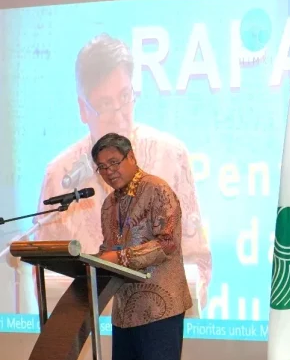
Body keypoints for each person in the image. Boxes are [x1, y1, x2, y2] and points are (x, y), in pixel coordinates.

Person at [34, 33, 211, 309]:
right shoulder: (60, 177)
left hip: (158, 321)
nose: (118, 115)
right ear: (83, 109)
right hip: (88, 328)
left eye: (125, 97)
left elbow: (197, 260)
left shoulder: (171, 158)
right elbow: (45, 279)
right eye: (105, 104)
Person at [94, 132, 191, 360]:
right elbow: (108, 248)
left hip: (160, 304)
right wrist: (94, 259)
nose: (109, 171)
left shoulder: (157, 190)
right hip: (125, 307)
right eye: (102, 167)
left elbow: (167, 244)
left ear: (131, 157)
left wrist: (118, 257)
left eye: (114, 163)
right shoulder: (109, 204)